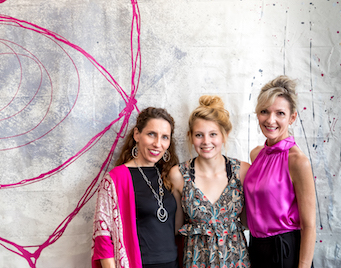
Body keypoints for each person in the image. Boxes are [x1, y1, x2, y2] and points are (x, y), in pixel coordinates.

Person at [91, 107, 181, 268]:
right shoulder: (115, 179)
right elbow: (103, 237)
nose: (157, 144)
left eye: (165, 137)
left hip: (172, 263)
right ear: (137, 135)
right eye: (151, 134)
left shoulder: (170, 175)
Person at [169, 95, 250, 268]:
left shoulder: (241, 171)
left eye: (213, 134)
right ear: (190, 136)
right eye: (199, 135)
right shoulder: (178, 175)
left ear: (224, 135)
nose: (206, 141)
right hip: (196, 261)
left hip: (235, 260)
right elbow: (175, 228)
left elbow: (247, 221)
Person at [244, 75, 316, 268]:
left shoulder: (297, 161)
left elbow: (309, 226)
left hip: (285, 251)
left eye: (280, 113)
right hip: (256, 247)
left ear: (292, 117)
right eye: (264, 111)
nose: (270, 120)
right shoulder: (256, 154)